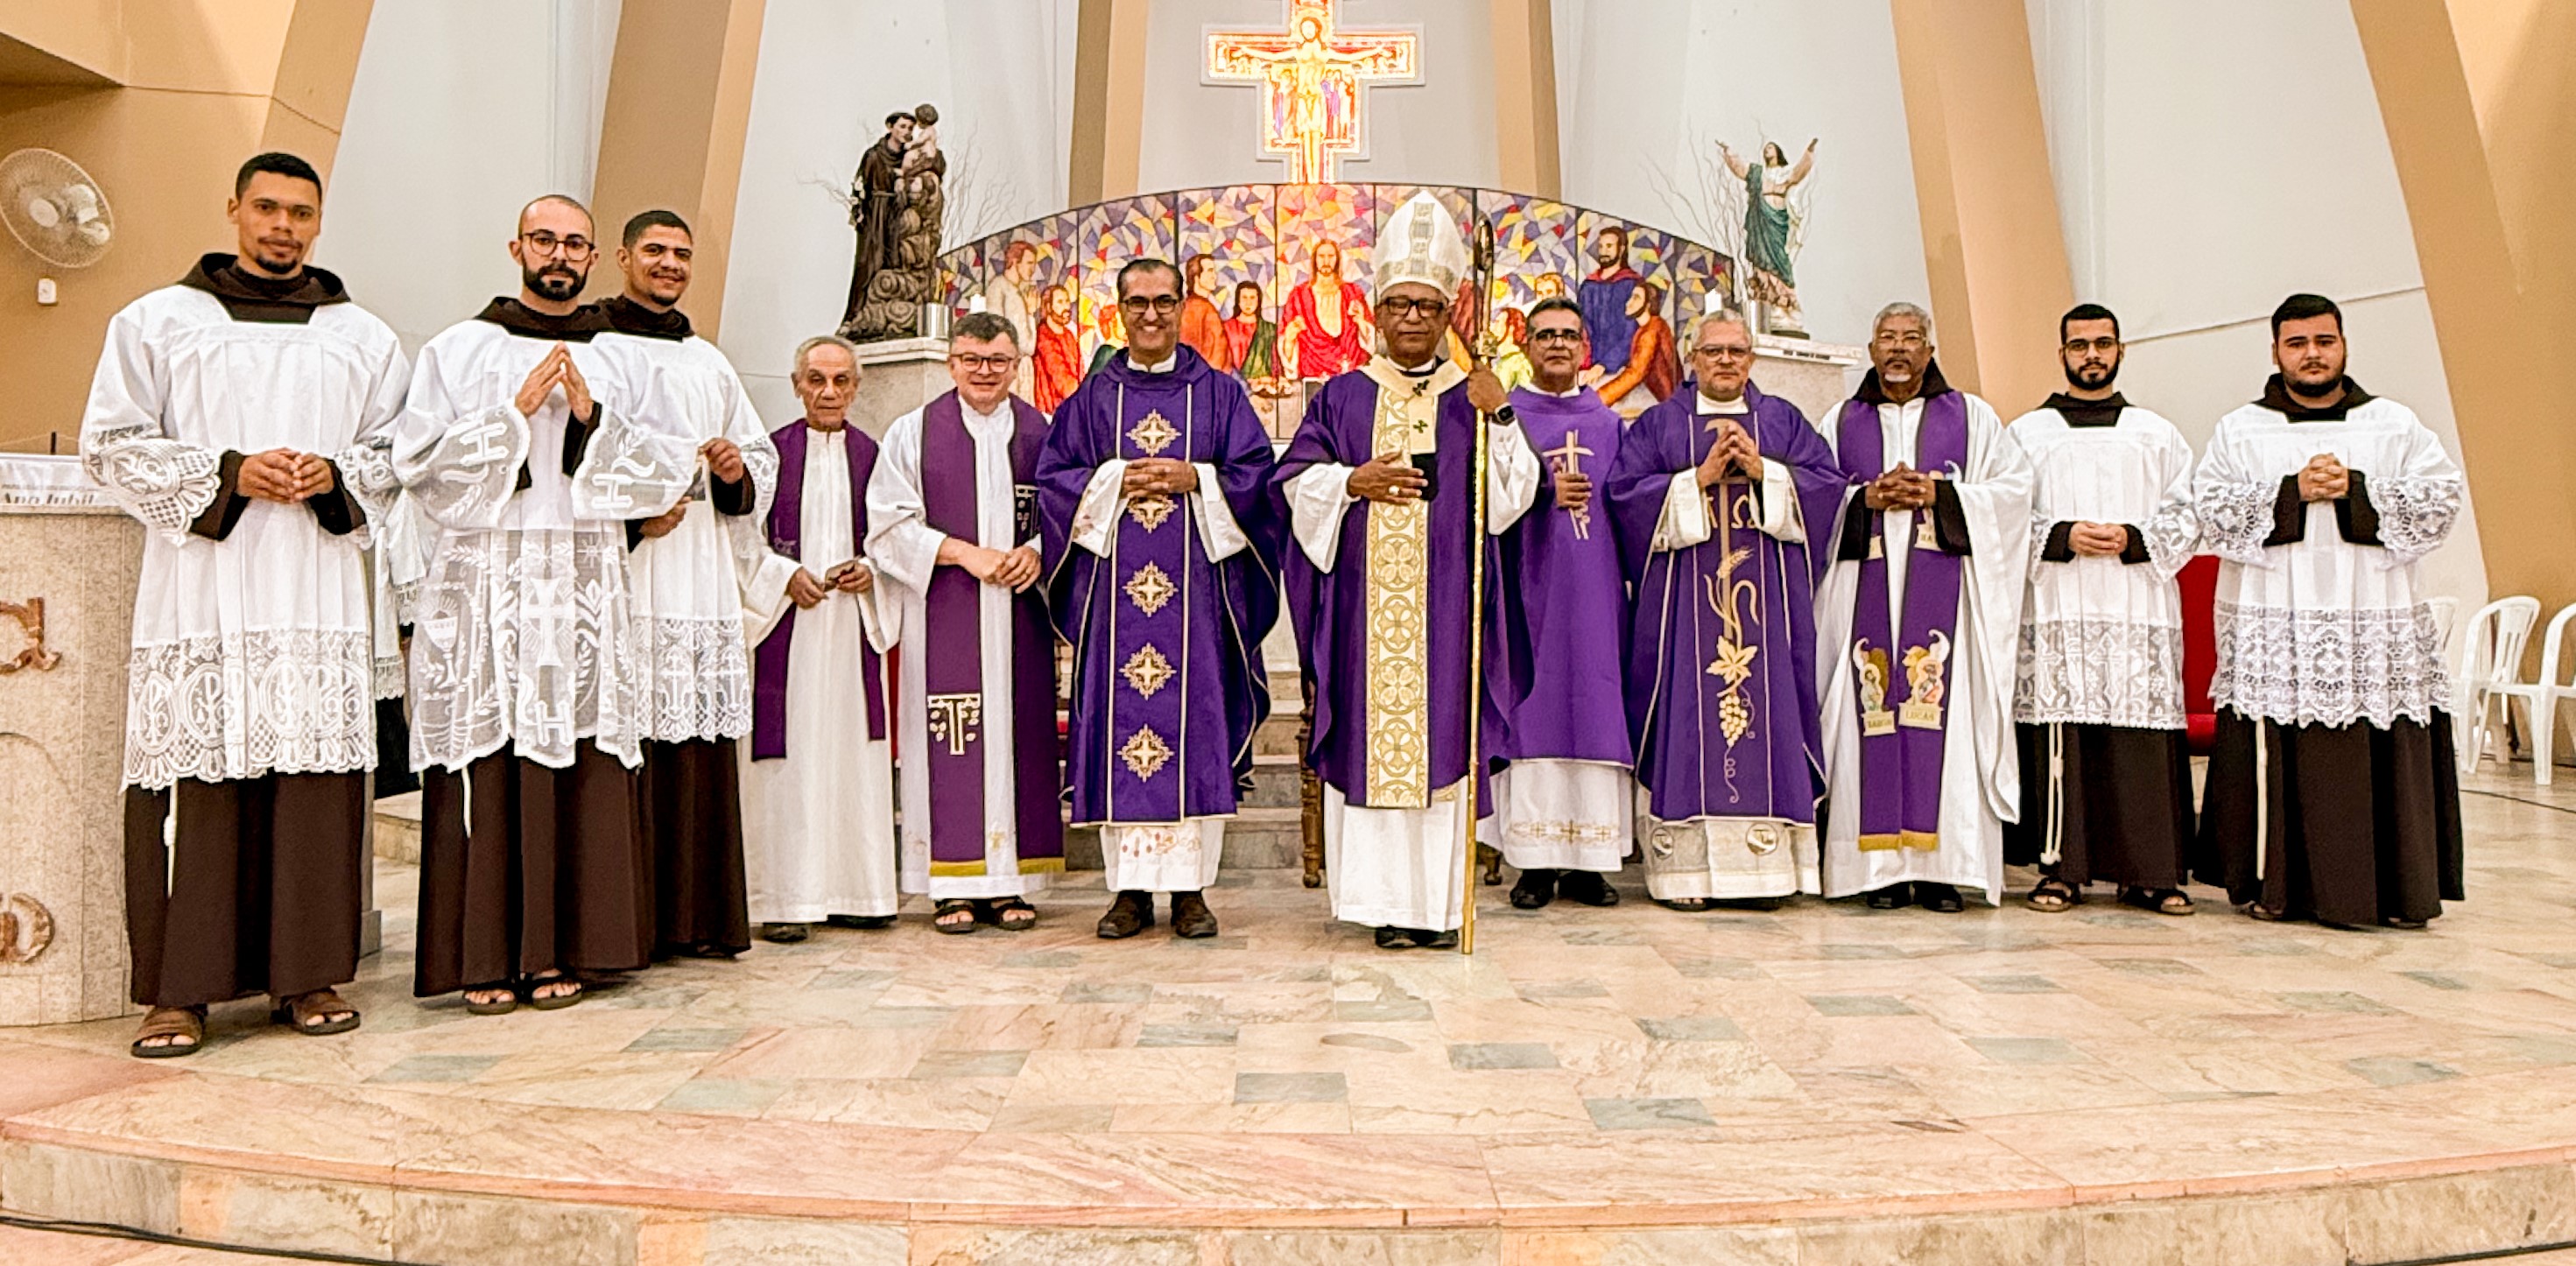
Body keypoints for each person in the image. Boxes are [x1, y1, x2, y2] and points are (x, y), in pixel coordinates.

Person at [83, 152, 407, 1058]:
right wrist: (228, 473)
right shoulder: (157, 321)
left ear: (318, 222)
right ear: (233, 209)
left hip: (315, 591)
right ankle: (179, 990)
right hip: (202, 591)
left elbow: (398, 455)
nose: (282, 227)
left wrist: (335, 475)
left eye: (300, 213)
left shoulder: (363, 337)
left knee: (313, 786)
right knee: (201, 781)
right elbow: (111, 443)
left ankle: (308, 974)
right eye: (267, 208)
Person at [396, 195, 692, 1014]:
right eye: (544, 240)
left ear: (594, 258)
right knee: (491, 753)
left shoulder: (625, 357)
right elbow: (418, 470)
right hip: (488, 591)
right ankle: (489, 955)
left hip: (586, 586)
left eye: (574, 244)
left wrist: (595, 420)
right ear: (516, 247)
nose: (558, 255)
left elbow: (670, 471)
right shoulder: (459, 348)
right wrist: (511, 418)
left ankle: (576, 948)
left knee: (585, 753)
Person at [1273, 192, 1540, 950]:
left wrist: (1502, 415)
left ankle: (1438, 909)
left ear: (1450, 312)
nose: (1413, 319)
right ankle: (1384, 906)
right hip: (1365, 618)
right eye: (1400, 305)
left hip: (1449, 615)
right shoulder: (1344, 397)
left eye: (1427, 306)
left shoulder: (1474, 397)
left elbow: (1514, 500)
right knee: (1374, 746)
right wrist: (1349, 482)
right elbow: (1292, 482)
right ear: (1377, 312)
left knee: (1444, 751)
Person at [2193, 293, 2464, 930]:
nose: (2312, 354)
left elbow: (2442, 500)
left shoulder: (2393, 423)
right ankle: (2277, 888)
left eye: (2324, 341)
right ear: (2275, 352)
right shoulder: (2241, 429)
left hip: (2371, 623)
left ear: (2344, 345)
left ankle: (2392, 893)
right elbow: (2209, 511)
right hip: (2277, 626)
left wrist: (2358, 490)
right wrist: (2292, 492)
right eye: (2297, 344)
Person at [1038, 259, 1282, 939]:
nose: (1151, 314)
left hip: (1197, 609)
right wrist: (1113, 479)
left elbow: (1258, 479)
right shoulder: (1091, 400)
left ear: (1183, 307)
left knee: (1196, 726)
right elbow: (1054, 479)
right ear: (1119, 310)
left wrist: (1196, 478)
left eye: (1164, 302)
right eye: (1138, 302)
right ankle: (1129, 893)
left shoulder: (1221, 395)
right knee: (1120, 730)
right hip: (1115, 609)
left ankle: (1191, 892)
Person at [1608, 308, 1846, 911]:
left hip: (1768, 616)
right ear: (1692, 358)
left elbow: (1828, 489)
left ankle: (1765, 874)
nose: (1725, 361)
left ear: (1751, 359)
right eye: (1713, 351)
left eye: (1736, 351)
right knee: (1687, 717)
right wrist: (1696, 479)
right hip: (1683, 617)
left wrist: (1767, 473)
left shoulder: (1781, 421)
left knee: (1770, 716)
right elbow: (1625, 498)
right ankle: (1686, 876)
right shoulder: (1660, 424)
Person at [592, 209, 778, 961]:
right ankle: (629, 924)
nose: (669, 264)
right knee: (625, 744)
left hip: (698, 578)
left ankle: (697, 919)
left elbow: (759, 459)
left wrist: (734, 472)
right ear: (623, 257)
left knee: (696, 746)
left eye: (681, 254)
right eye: (655, 251)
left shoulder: (708, 361)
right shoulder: (595, 348)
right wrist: (633, 518)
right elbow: (574, 460)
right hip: (628, 576)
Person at [1814, 302, 2032, 911]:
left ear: (1930, 350)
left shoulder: (1973, 417)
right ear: (1871, 349)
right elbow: (1814, 497)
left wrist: (1943, 494)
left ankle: (1942, 871)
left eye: (1911, 338)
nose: (1899, 348)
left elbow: (2014, 493)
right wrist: (1863, 499)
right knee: (1869, 716)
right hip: (1863, 598)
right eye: (1887, 337)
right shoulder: (1839, 421)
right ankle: (1877, 872)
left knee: (1946, 720)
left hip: (1948, 604)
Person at [865, 312, 1063, 932]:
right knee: (952, 736)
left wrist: (1037, 551)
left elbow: (1068, 512)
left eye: (998, 360)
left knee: (1019, 737)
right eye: (972, 360)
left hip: (1022, 616)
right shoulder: (913, 432)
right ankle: (950, 886)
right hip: (943, 615)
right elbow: (887, 524)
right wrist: (960, 553)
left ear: (1017, 365)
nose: (984, 372)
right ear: (952, 364)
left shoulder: (1043, 433)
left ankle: (1011, 882)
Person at [2005, 304, 2200, 916]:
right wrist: (2059, 535)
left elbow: (2189, 513)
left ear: (2120, 351)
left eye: (2103, 344)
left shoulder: (2157, 433)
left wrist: (2135, 538)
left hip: (2136, 607)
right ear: (2061, 353)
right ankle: (2062, 870)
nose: (2092, 355)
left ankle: (2152, 874)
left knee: (2138, 742)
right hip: (2058, 608)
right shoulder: (2026, 435)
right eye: (2079, 345)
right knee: (2065, 742)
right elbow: (2002, 516)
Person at [738, 336, 900, 940]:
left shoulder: (876, 457)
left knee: (852, 756)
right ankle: (787, 899)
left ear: (856, 387)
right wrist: (783, 576)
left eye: (841, 381)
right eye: (817, 380)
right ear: (796, 385)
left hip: (852, 627)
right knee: (789, 762)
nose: (829, 392)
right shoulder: (767, 457)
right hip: (788, 629)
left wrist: (872, 570)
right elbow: (740, 538)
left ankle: (859, 890)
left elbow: (895, 537)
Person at [1484, 298, 1632, 910]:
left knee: (1595, 710)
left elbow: (1634, 504)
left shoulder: (1610, 424)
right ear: (1526, 345)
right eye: (1545, 335)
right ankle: (1534, 864)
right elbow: (1484, 500)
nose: (1557, 345)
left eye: (1568, 335)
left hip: (1597, 597)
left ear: (1584, 347)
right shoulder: (1503, 418)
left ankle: (1590, 864)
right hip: (1527, 592)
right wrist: (1544, 487)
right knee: (1533, 712)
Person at [841, 111, 912, 328]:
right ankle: (855, 315)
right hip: (875, 214)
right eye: (902, 126)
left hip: (897, 213)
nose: (906, 132)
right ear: (890, 127)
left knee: (896, 261)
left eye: (910, 128)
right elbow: (860, 186)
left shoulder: (909, 158)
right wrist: (860, 215)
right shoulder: (874, 155)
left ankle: (888, 313)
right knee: (869, 262)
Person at [1279, 239, 1370, 381]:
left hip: (1349, 373)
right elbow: (1286, 342)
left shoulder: (1352, 293)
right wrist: (1290, 338)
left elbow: (1371, 339)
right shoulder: (1299, 296)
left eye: (1331, 256)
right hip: (1313, 373)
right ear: (1314, 260)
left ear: (1337, 260)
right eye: (1321, 256)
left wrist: (1361, 322)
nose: (1326, 261)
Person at [1594, 281, 1679, 409]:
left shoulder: (1651, 332)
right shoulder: (1648, 327)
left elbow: (1636, 374)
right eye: (1631, 297)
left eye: (1636, 298)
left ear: (1648, 305)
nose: (1629, 303)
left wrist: (1598, 399)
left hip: (1665, 401)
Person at [1578, 227, 1642, 376]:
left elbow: (1632, 332)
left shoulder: (1631, 284)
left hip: (1621, 367)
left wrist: (1606, 364)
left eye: (1609, 246)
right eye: (1601, 246)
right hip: (1589, 366)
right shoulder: (1589, 285)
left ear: (1622, 249)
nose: (1604, 251)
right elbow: (1583, 326)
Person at [982, 241, 1040, 397]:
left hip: (1022, 366)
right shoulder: (998, 287)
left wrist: (1030, 313)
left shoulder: (1020, 292)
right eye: (1029, 263)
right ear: (1015, 262)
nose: (1033, 269)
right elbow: (995, 333)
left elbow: (1029, 346)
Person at [1031, 283, 1085, 413]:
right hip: (1052, 410)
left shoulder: (1068, 335)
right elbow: (1062, 381)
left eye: (1067, 301)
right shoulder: (1044, 335)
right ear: (1048, 307)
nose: (1066, 307)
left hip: (1072, 404)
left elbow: (1080, 371)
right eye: (1060, 302)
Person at [1222, 280, 1281, 383]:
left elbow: (1275, 362)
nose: (1248, 303)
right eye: (1244, 298)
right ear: (1238, 300)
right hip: (1233, 383)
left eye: (1252, 298)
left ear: (1259, 301)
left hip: (1263, 384)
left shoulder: (1269, 329)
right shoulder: (1226, 327)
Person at [1179, 254, 1229, 368]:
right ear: (1196, 277)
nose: (1214, 276)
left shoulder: (1189, 306)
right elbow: (1216, 355)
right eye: (1210, 271)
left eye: (1214, 271)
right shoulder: (1203, 309)